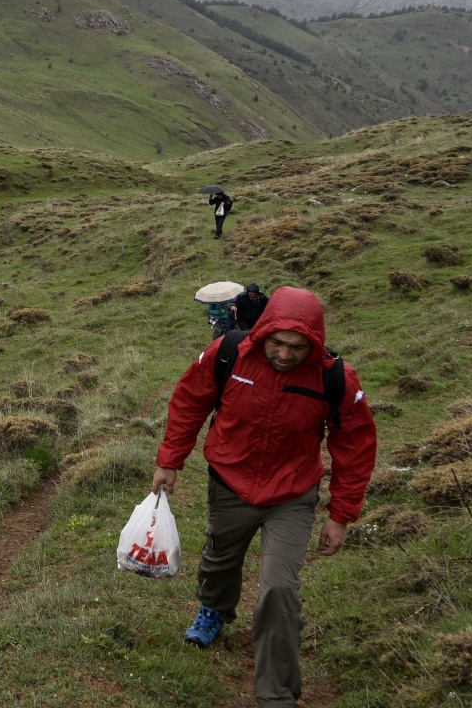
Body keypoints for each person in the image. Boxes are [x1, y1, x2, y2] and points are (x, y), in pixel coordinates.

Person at [151, 287, 376, 708]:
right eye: (277, 343)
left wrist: (341, 515)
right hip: (229, 481)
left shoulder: (334, 377)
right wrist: (170, 461)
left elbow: (356, 444)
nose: (286, 354)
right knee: (219, 559)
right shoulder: (230, 353)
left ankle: (276, 693)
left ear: (314, 341)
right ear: (264, 332)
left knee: (279, 589)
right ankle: (215, 610)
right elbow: (189, 401)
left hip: (291, 495)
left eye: (297, 346)